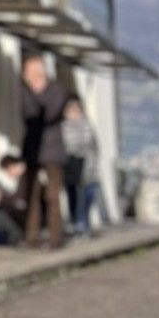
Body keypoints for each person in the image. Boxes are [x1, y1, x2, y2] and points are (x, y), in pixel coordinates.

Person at [19, 54, 71, 250]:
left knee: (52, 195)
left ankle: (55, 236)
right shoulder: (24, 91)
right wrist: (31, 90)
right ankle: (31, 235)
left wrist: (37, 93)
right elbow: (27, 113)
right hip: (32, 149)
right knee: (31, 194)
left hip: (53, 149)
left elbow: (49, 114)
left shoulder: (57, 90)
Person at [61, 96, 102, 237]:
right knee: (74, 195)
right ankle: (77, 223)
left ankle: (84, 222)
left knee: (89, 194)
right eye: (71, 109)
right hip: (71, 166)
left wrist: (92, 161)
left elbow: (95, 146)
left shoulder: (88, 126)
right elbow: (66, 146)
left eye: (77, 109)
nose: (74, 112)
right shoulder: (63, 127)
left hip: (88, 165)